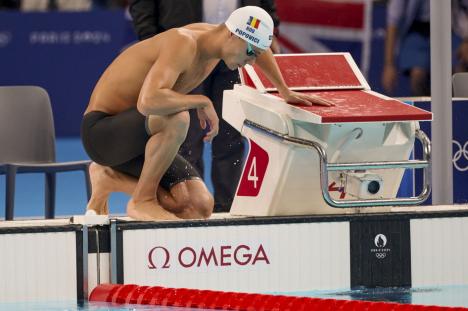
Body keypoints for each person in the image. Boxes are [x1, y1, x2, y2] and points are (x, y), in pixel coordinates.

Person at [81, 6, 332, 221]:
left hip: (141, 140)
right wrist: (199, 100)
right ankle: (142, 200)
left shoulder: (220, 41)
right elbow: (148, 101)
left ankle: (108, 178)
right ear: (233, 35)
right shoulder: (184, 43)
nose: (251, 62)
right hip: (104, 134)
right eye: (249, 54)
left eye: (255, 55)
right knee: (178, 116)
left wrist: (283, 89)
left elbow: (260, 47)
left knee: (197, 206)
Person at [129, 0, 281, 212]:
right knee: (186, 135)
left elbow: (259, 17)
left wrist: (269, 35)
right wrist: (155, 42)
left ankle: (228, 208)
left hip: (234, 53)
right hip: (187, 52)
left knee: (232, 135)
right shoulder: (182, 43)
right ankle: (190, 206)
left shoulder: (244, 43)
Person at [381, 0, 431, 96]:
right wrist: (389, 65)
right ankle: (426, 109)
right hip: (418, 31)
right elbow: (393, 22)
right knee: (418, 76)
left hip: (453, 31)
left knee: (458, 71)